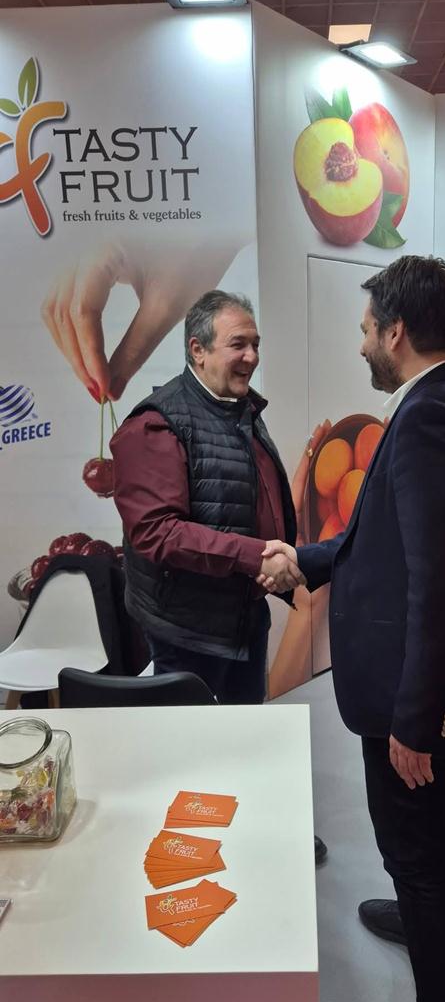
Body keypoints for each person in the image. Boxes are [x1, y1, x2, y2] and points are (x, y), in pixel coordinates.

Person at [259, 255, 445, 1002]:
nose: (362, 343)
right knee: (426, 835)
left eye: (367, 329)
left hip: (420, 692)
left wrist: (414, 720)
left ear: (397, 332)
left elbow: (440, 583)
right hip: (435, 682)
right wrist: (307, 558)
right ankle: (414, 908)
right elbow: (387, 544)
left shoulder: (431, 419)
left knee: (418, 849)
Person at [109, 288, 327, 862]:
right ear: (197, 350)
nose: (251, 356)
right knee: (194, 755)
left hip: (242, 616)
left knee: (246, 735)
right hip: (188, 628)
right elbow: (156, 532)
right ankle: (195, 860)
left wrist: (278, 561)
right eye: (238, 344)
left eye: (255, 343)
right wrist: (254, 557)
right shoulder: (156, 424)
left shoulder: (238, 409)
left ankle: (253, 836)